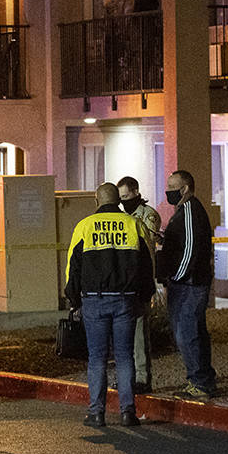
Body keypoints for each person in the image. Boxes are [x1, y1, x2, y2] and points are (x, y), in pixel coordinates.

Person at [64, 183, 155, 428]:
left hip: (94, 300)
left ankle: (97, 413)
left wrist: (73, 300)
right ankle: (128, 412)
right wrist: (146, 297)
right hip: (125, 299)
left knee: (97, 358)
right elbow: (147, 266)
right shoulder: (133, 225)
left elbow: (73, 267)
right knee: (125, 356)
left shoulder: (84, 226)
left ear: (97, 200)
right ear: (118, 201)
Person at [157, 169, 217, 399]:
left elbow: (190, 250)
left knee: (187, 333)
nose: (169, 192)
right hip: (187, 282)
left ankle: (199, 383)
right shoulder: (182, 211)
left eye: (173, 188)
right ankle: (202, 377)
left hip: (190, 284)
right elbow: (183, 242)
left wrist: (175, 277)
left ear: (186, 188)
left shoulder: (190, 211)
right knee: (193, 331)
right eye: (168, 187)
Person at [117, 176, 162, 392]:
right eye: (120, 198)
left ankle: (142, 379)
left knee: (139, 335)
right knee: (125, 336)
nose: (123, 201)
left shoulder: (148, 215)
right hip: (124, 283)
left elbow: (147, 247)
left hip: (141, 280)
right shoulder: (123, 216)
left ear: (136, 192)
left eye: (126, 196)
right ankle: (128, 377)